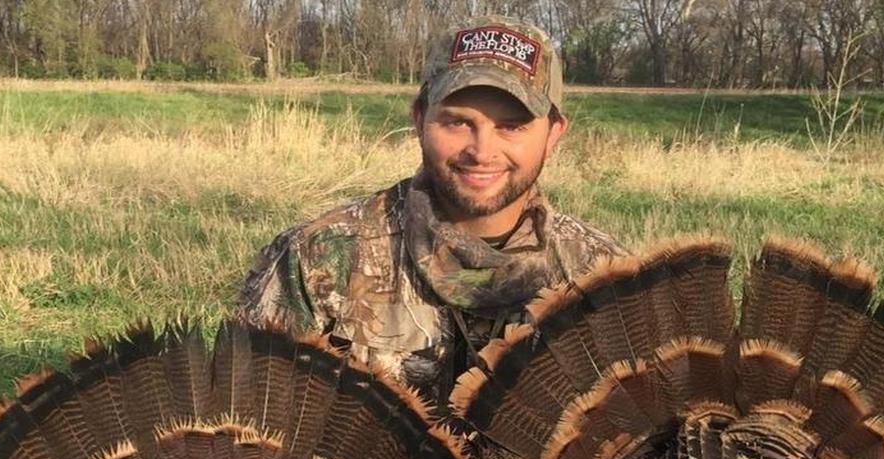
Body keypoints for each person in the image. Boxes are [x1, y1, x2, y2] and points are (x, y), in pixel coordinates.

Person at [236, 15, 626, 407]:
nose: (482, 151)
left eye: (512, 127)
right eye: (457, 121)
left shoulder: (602, 275)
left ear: (554, 134)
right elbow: (250, 421)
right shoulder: (316, 257)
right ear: (420, 119)